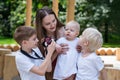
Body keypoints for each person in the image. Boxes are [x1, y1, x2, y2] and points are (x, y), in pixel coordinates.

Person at [35, 6, 66, 80]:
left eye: (54, 21)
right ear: (41, 25)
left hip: (65, 69)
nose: (52, 25)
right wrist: (55, 49)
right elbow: (46, 64)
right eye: (47, 24)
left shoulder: (63, 30)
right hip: (49, 72)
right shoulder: (39, 39)